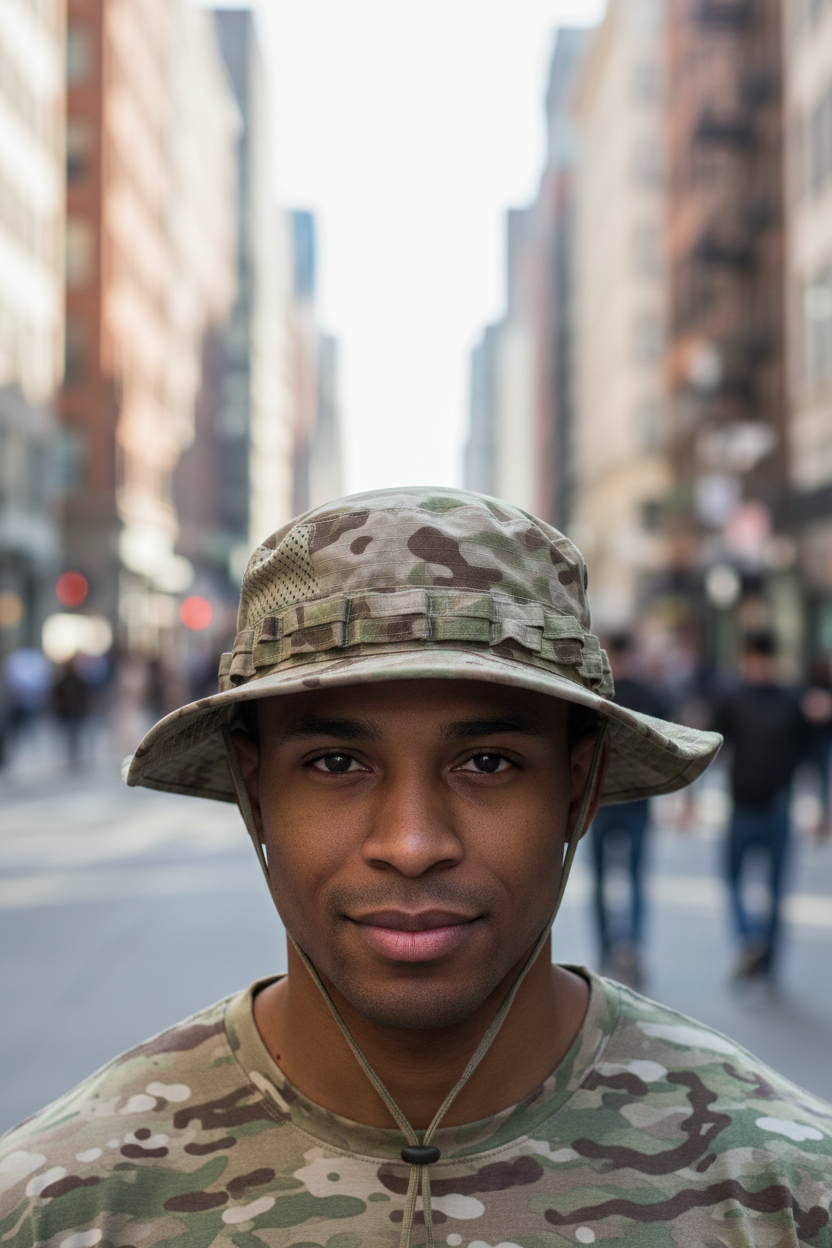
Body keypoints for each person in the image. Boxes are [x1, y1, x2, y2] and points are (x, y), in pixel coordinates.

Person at [2, 488, 831, 1248]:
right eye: (335, 763)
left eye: (488, 763)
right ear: (254, 791)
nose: (410, 843)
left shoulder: (782, 1195)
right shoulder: (65, 1204)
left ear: (579, 789)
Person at [715, 630, 813, 984]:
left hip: (777, 806)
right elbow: (714, 741)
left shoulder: (793, 698)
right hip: (744, 806)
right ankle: (752, 944)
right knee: (735, 879)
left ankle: (763, 960)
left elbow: (812, 751)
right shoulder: (734, 696)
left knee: (774, 888)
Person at [588, 632, 668, 987]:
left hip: (600, 800)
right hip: (638, 800)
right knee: (635, 879)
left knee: (602, 880)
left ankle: (607, 950)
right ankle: (631, 947)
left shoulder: (595, 694)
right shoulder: (648, 693)